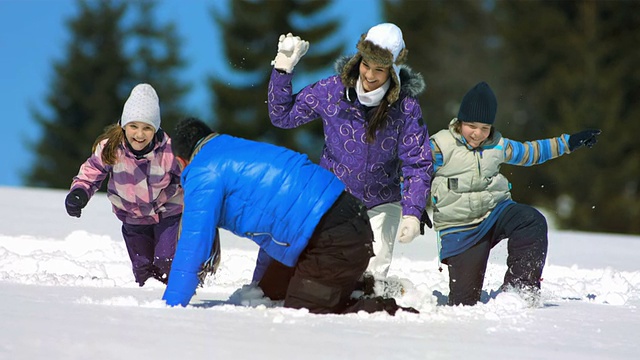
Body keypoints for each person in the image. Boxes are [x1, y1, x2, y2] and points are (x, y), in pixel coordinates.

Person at [162, 117, 416, 315]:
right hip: (345, 221)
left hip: (334, 236)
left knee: (303, 310)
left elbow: (193, 244)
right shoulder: (233, 149)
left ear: (182, 161)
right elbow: (271, 229)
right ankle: (360, 286)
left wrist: (172, 306)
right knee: (270, 295)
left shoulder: (203, 172)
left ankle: (384, 307)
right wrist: (258, 289)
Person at [266, 23, 433, 281]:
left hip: (381, 201)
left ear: (394, 72)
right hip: (333, 196)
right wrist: (283, 68)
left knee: (372, 271)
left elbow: (417, 162)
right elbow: (282, 116)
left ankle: (363, 313)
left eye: (380, 69)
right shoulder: (332, 91)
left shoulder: (406, 107)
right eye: (366, 65)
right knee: (325, 266)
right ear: (358, 60)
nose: (370, 75)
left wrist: (412, 211)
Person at [429, 81, 601, 306]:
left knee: (531, 220)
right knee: (464, 303)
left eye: (485, 127)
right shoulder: (441, 146)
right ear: (460, 121)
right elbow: (413, 172)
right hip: (460, 227)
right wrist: (412, 208)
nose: (478, 134)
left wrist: (568, 142)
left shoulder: (498, 145)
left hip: (496, 212)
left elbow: (531, 152)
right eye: (472, 125)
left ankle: (520, 288)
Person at [64, 83, 183, 287]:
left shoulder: (169, 152)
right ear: (124, 125)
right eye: (134, 126)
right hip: (132, 215)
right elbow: (92, 171)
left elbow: (191, 177)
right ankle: (146, 307)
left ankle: (182, 288)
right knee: (142, 270)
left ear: (155, 129)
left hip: (167, 212)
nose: (139, 134)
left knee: (166, 262)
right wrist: (79, 193)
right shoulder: (111, 149)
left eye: (147, 128)